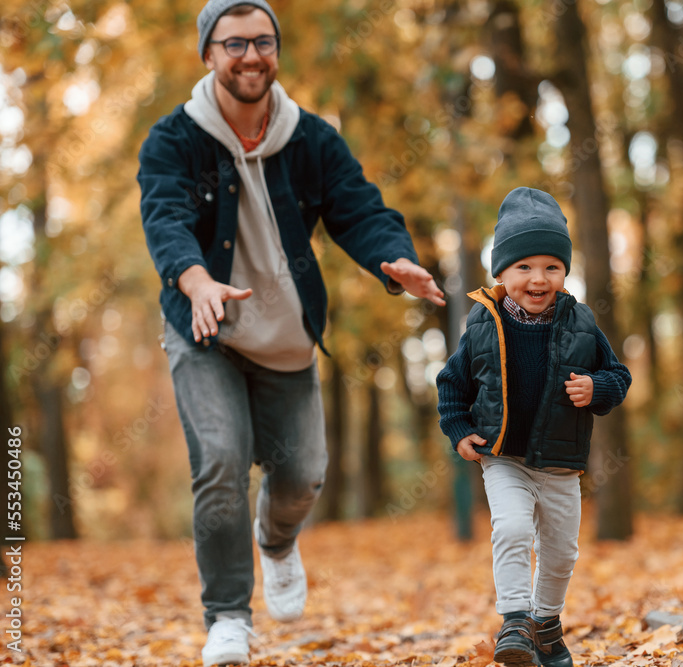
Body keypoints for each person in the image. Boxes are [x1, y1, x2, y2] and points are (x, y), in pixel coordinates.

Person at [137, 1, 445, 664]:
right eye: (235, 44)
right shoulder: (173, 139)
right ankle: (226, 616)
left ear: (277, 50)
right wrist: (195, 281)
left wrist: (392, 258)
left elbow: (359, 207)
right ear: (208, 54)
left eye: (264, 42)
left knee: (303, 476)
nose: (251, 56)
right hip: (205, 329)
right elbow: (163, 218)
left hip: (285, 339)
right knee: (219, 460)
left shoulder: (311, 139)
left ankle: (276, 541)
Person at [436, 188, 631, 667]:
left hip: (560, 461)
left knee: (562, 552)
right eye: (523, 267)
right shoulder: (483, 324)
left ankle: (546, 624)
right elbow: (451, 383)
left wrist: (596, 387)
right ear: (501, 274)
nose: (537, 278)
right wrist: (460, 429)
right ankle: (515, 622)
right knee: (513, 527)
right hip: (503, 456)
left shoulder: (581, 323)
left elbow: (618, 375)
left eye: (551, 267)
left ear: (565, 273)